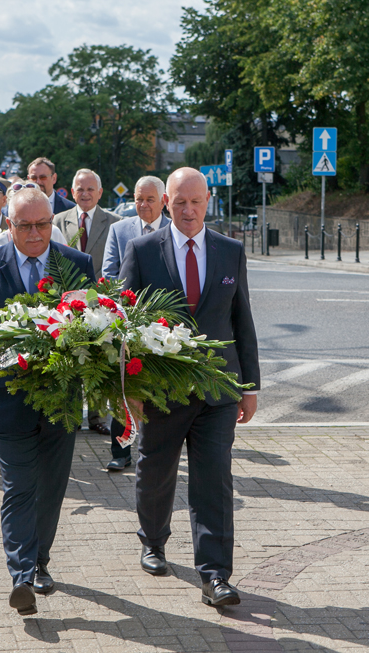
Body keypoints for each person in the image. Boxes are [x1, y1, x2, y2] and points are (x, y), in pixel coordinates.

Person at [0, 185, 94, 616]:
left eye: (43, 224)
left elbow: (98, 330)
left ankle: (40, 560)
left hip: (62, 400)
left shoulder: (77, 264)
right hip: (7, 399)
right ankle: (21, 575)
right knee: (18, 487)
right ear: (9, 225)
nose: (35, 233)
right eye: (25, 225)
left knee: (51, 487)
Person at [119, 167, 261, 608]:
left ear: (207, 202)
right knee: (156, 471)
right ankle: (153, 540)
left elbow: (242, 319)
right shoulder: (143, 251)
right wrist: (128, 387)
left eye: (196, 202)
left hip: (218, 390)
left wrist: (250, 386)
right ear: (166, 203)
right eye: (179, 202)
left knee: (214, 479)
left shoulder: (230, 251)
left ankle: (215, 575)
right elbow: (124, 324)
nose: (188, 210)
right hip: (163, 391)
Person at [100, 175, 171, 471]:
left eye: (149, 199)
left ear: (163, 201)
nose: (142, 205)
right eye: (138, 199)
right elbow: (109, 272)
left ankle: (158, 451)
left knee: (159, 387)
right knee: (123, 384)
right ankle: (120, 452)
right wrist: (125, 305)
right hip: (127, 318)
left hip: (164, 321)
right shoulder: (119, 229)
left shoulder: (174, 229)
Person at [54, 168, 122, 435]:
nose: (85, 194)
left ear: (100, 192)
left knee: (98, 358)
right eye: (80, 189)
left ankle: (97, 417)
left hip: (100, 300)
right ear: (72, 192)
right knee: (69, 356)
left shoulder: (114, 222)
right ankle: (70, 414)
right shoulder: (58, 220)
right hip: (67, 300)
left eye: (90, 189)